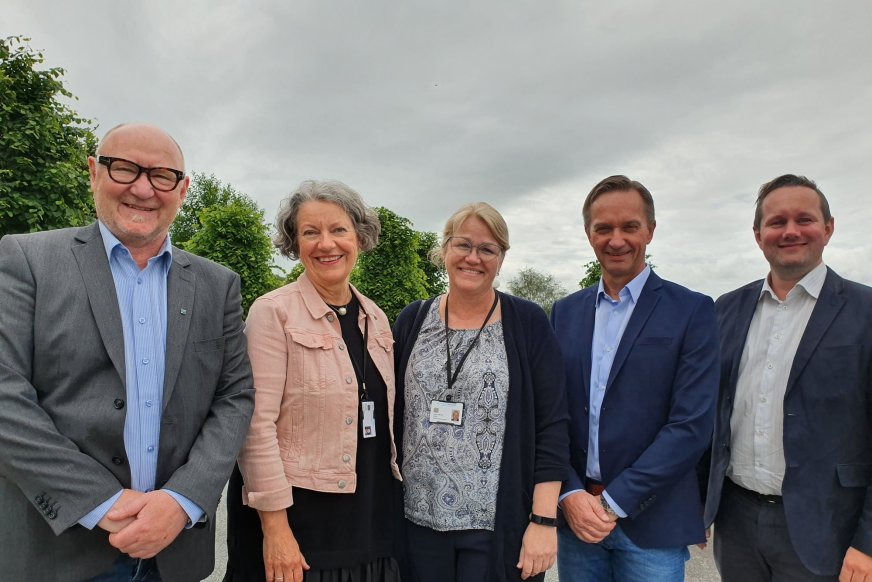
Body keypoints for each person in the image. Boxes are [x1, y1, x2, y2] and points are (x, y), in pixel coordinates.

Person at [0, 123, 255, 582]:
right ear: (94, 173)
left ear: (183, 189)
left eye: (161, 175)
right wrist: (99, 503)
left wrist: (182, 501)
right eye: (124, 169)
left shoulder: (219, 285)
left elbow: (234, 397)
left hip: (174, 554)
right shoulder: (26, 260)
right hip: (57, 552)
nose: (142, 188)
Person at [224, 180, 403, 582]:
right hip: (301, 525)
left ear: (359, 236)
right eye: (311, 232)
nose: (327, 244)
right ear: (295, 243)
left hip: (370, 517)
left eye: (338, 229)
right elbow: (255, 427)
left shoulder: (375, 317)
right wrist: (276, 530)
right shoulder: (273, 313)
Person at [703, 174, 872, 581]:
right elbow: (712, 412)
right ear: (758, 234)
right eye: (777, 222)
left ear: (828, 228)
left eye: (804, 219)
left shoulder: (866, 312)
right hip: (736, 521)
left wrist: (868, 543)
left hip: (827, 527)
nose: (791, 231)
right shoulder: (725, 310)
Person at [551, 175, 719, 581]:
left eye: (630, 227)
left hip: (652, 521)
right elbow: (551, 415)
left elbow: (691, 425)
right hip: (577, 520)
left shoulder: (692, 311)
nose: (616, 240)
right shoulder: (564, 313)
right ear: (588, 234)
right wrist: (571, 493)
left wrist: (612, 502)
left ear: (651, 230)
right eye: (603, 228)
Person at [392, 202, 570, 582]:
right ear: (444, 250)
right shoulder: (412, 320)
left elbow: (553, 425)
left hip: (495, 528)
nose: (473, 258)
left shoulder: (528, 322)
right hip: (415, 524)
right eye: (463, 245)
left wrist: (543, 520)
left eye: (487, 249)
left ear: (501, 258)